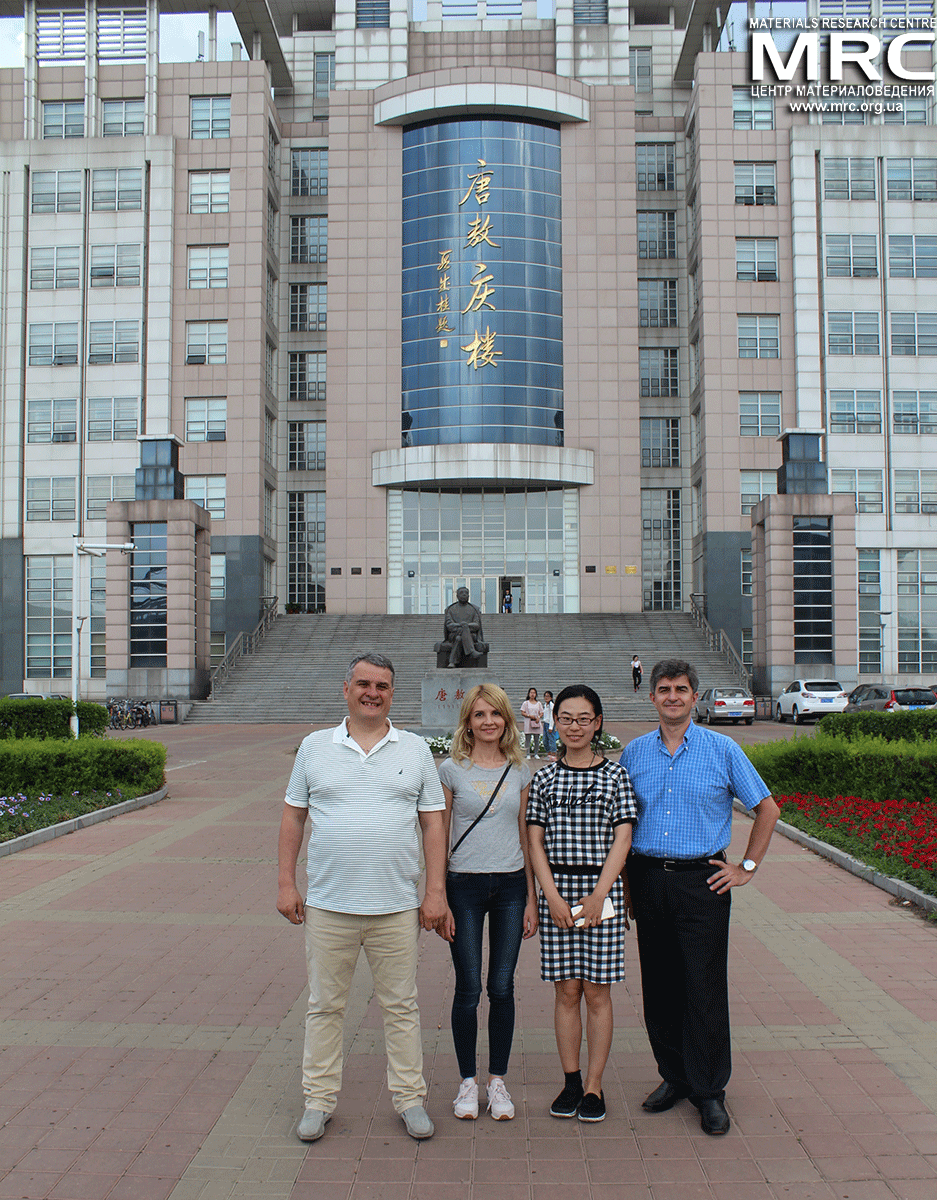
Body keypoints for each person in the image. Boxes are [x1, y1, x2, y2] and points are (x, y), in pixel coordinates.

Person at [276, 652, 449, 1143]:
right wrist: (287, 883)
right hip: (329, 904)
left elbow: (432, 821)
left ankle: (410, 1099)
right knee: (325, 1007)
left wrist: (434, 891)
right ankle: (318, 1101)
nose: (373, 692)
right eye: (364, 684)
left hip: (395, 906)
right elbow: (293, 817)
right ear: (346, 688)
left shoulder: (414, 749)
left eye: (383, 686)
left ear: (393, 693)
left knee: (401, 1007)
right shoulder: (314, 747)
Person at [619, 658, 779, 1137]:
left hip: (702, 882)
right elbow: (622, 826)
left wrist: (745, 867)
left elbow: (766, 808)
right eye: (664, 689)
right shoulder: (635, 753)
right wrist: (627, 888)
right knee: (660, 986)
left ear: (694, 697)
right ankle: (675, 1077)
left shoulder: (722, 749)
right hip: (648, 879)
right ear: (652, 697)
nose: (672, 697)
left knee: (703, 987)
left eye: (681, 690)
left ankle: (709, 1090)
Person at [526, 685, 636, 1124]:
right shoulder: (546, 779)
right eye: (566, 718)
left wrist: (600, 894)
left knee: (597, 992)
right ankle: (570, 1081)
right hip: (556, 893)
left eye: (583, 719)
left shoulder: (615, 776)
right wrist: (550, 896)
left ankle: (594, 1085)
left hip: (601, 894)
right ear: (555, 722)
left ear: (598, 723)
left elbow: (623, 837)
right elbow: (534, 839)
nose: (575, 726)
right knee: (566, 990)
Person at [436, 685, 538, 1121]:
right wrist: (436, 894)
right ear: (468, 721)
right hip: (463, 887)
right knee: (469, 987)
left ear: (507, 720)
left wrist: (532, 897)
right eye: (479, 715)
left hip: (512, 886)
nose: (488, 722)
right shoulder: (450, 771)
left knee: (502, 986)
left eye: (495, 714)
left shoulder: (520, 770)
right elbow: (437, 836)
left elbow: (527, 838)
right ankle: (466, 1083)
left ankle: (497, 1081)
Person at [441, 587, 487, 668]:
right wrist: (461, 626)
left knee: (459, 638)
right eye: (461, 593)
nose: (464, 595)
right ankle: (471, 651)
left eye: (466, 593)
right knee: (459, 634)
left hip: (471, 635)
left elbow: (476, 625)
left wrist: (466, 626)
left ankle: (452, 662)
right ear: (457, 595)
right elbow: (449, 625)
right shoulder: (451, 609)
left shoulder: (474, 609)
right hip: (454, 634)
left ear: (468, 595)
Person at [520, 687, 544, 758]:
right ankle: (528, 754)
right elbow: (522, 712)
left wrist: (538, 717)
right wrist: (529, 715)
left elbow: (541, 712)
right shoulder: (525, 703)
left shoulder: (539, 703)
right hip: (528, 722)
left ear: (536, 694)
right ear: (528, 694)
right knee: (528, 739)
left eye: (534, 693)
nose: (532, 694)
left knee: (536, 739)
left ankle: (536, 753)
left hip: (536, 722)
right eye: (531, 692)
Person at [541, 690, 557, 757]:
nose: (546, 697)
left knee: (551, 739)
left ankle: (553, 753)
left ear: (551, 697)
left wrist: (551, 727)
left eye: (548, 696)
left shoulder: (551, 705)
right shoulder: (545, 705)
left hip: (550, 724)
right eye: (545, 696)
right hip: (545, 724)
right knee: (545, 739)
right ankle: (549, 753)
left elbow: (552, 717)